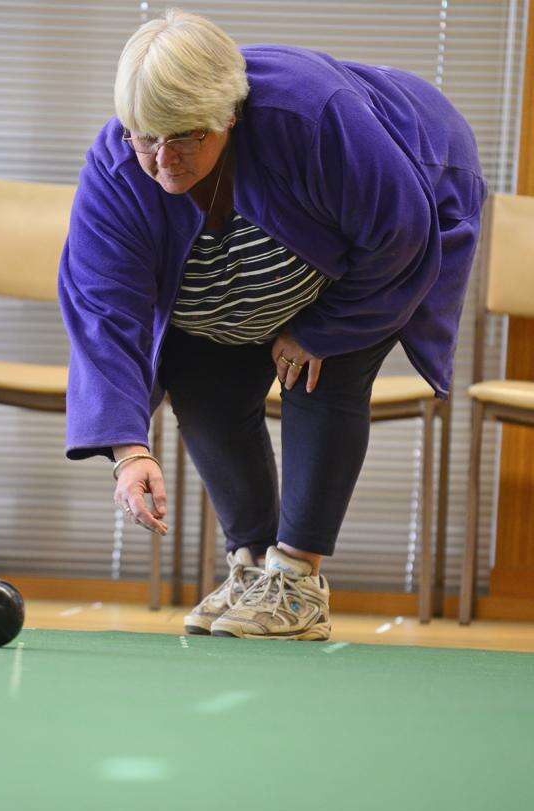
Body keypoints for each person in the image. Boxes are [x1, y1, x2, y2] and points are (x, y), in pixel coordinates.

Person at [59, 9, 486, 640]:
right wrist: (129, 451)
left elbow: (399, 238)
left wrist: (321, 328)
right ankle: (254, 565)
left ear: (227, 116)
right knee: (196, 367)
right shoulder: (119, 168)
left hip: (378, 227)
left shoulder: (312, 118)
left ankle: (297, 579)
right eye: (145, 137)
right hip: (224, 268)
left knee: (323, 371)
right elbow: (103, 310)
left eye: (184, 137)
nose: (162, 159)